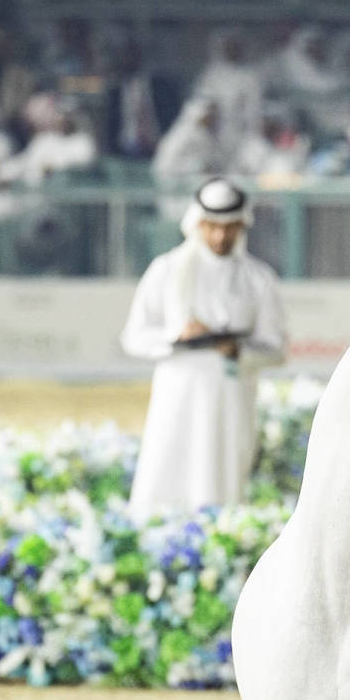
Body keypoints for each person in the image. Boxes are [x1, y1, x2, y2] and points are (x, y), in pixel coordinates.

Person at [120, 178, 287, 519]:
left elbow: (276, 349)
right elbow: (134, 337)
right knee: (165, 484)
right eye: (212, 226)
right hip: (177, 397)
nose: (220, 236)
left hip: (231, 399)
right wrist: (177, 336)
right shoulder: (166, 269)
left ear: (242, 226)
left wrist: (237, 350)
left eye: (229, 227)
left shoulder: (258, 278)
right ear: (197, 224)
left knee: (221, 486)